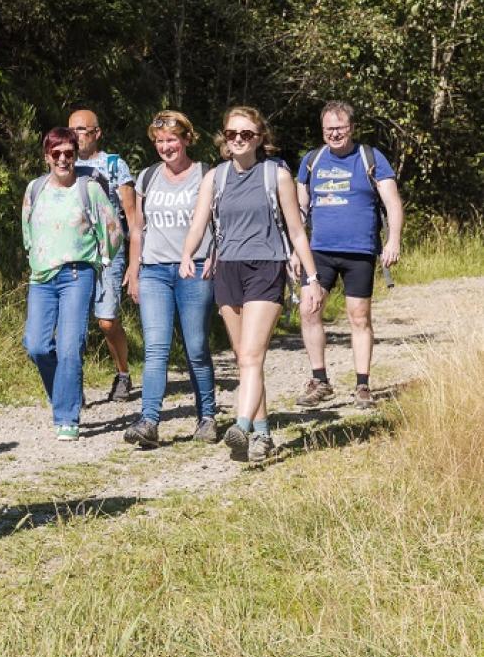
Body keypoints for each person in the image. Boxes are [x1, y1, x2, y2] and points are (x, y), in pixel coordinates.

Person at [177, 106, 323, 462]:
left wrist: (311, 278)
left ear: (260, 139)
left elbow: (296, 232)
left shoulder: (277, 176)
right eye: (232, 134)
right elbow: (198, 223)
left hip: (266, 266)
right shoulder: (215, 178)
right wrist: (187, 254)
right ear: (224, 138)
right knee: (245, 359)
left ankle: (241, 426)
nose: (238, 140)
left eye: (246, 134)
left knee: (253, 355)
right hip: (227, 269)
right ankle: (263, 435)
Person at [293, 101, 405, 409]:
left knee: (359, 317)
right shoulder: (312, 160)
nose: (334, 134)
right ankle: (320, 381)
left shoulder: (371, 158)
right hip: (319, 251)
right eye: (328, 129)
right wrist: (294, 250)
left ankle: (362, 385)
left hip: (359, 250)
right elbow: (299, 210)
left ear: (351, 128)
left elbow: (392, 202)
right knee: (309, 310)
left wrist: (393, 241)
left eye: (340, 128)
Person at [121, 111, 217, 448]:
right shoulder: (147, 177)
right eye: (160, 141)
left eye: (172, 140)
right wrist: (134, 270)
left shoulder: (206, 175)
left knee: (196, 347)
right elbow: (137, 229)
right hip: (154, 271)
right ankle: (149, 421)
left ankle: (207, 416)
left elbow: (218, 222)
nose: (166, 147)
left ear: (187, 139)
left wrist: (215, 255)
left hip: (195, 270)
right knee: (156, 348)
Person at [22, 127, 123, 442]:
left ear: (76, 155)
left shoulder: (88, 189)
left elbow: (113, 231)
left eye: (69, 153)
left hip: (77, 275)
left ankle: (66, 416)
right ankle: (67, 393)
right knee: (36, 345)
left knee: (69, 345)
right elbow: (27, 229)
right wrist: (35, 256)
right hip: (41, 277)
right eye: (57, 153)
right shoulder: (35, 188)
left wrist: (102, 260)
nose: (63, 159)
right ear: (47, 156)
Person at [69, 109, 140, 402]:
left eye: (81, 130)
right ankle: (73, 386)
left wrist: (135, 263)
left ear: (97, 133)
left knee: (107, 320)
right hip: (74, 252)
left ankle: (123, 374)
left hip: (109, 252)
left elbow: (132, 219)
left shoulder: (114, 165)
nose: (75, 136)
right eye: (71, 130)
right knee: (72, 322)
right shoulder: (64, 162)